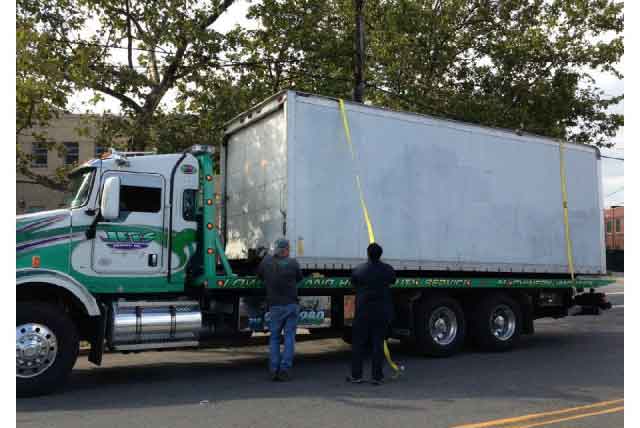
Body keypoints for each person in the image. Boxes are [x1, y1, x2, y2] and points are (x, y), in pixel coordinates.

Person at [347, 242, 396, 385]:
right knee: (378, 344)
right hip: (381, 312)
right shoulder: (387, 269)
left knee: (358, 344)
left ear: (367, 254)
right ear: (381, 255)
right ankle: (377, 377)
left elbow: (353, 282)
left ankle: (356, 376)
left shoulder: (359, 270)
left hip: (363, 312)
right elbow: (393, 280)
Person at [257, 238, 304, 381]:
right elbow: (300, 278)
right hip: (291, 305)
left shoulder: (266, 262)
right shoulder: (293, 263)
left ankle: (273, 369)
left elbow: (259, 276)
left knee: (274, 338)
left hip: (275, 306)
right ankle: (285, 369)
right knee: (289, 338)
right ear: (286, 250)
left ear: (276, 249)